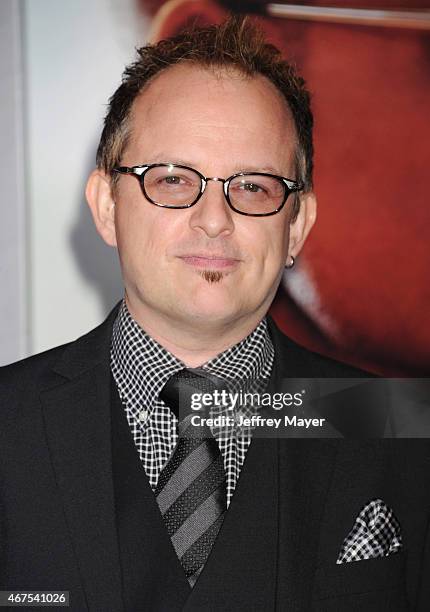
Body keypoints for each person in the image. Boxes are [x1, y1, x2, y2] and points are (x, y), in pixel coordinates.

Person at [1, 16, 429, 612]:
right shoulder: (9, 423)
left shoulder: (395, 430)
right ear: (106, 206)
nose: (213, 219)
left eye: (253, 186)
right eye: (173, 180)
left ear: (297, 225)